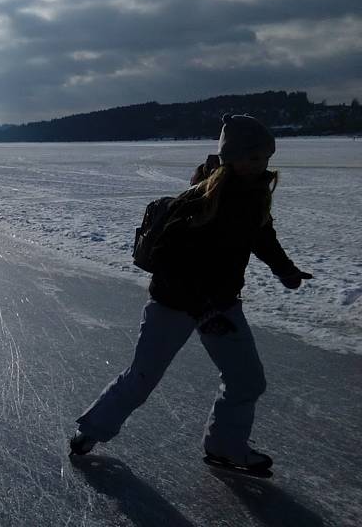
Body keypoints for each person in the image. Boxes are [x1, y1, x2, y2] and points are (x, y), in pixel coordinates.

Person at [70, 114, 312, 473]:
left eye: (265, 157)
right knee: (143, 376)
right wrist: (202, 304)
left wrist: (286, 270)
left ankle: (226, 447)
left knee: (247, 380)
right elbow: (166, 258)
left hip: (222, 304)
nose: (261, 165)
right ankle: (91, 429)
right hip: (175, 304)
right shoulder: (199, 200)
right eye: (253, 157)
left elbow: (262, 238)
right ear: (232, 157)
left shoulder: (255, 194)